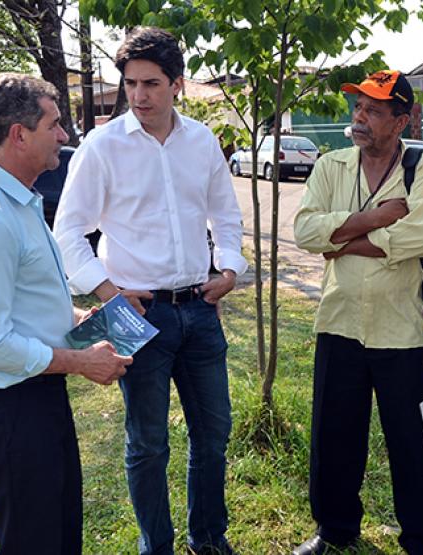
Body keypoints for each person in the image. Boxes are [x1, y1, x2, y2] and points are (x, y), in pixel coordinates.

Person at [53, 27, 247, 555]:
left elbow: (226, 218)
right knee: (148, 445)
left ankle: (207, 540)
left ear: (177, 84)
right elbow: (68, 230)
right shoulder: (102, 146)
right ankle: (155, 547)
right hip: (136, 314)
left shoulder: (202, 141)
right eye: (131, 83)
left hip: (199, 310)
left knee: (213, 436)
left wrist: (229, 270)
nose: (139, 95)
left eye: (152, 84)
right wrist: (107, 290)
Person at [0, 73, 132, 554]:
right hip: (10, 411)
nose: (64, 136)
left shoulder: (14, 198)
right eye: (54, 124)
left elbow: (20, 299)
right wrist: (81, 362)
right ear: (19, 135)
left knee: (59, 535)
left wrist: (75, 315)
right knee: (33, 541)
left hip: (36, 399)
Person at [292, 70, 423, 555]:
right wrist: (376, 219)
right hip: (339, 321)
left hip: (402, 328)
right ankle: (333, 529)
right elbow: (305, 232)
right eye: (359, 107)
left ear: (402, 120)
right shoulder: (331, 166)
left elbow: (419, 236)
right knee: (334, 433)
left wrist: (344, 242)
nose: (360, 118)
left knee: (414, 442)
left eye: (374, 110)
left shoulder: (422, 167)